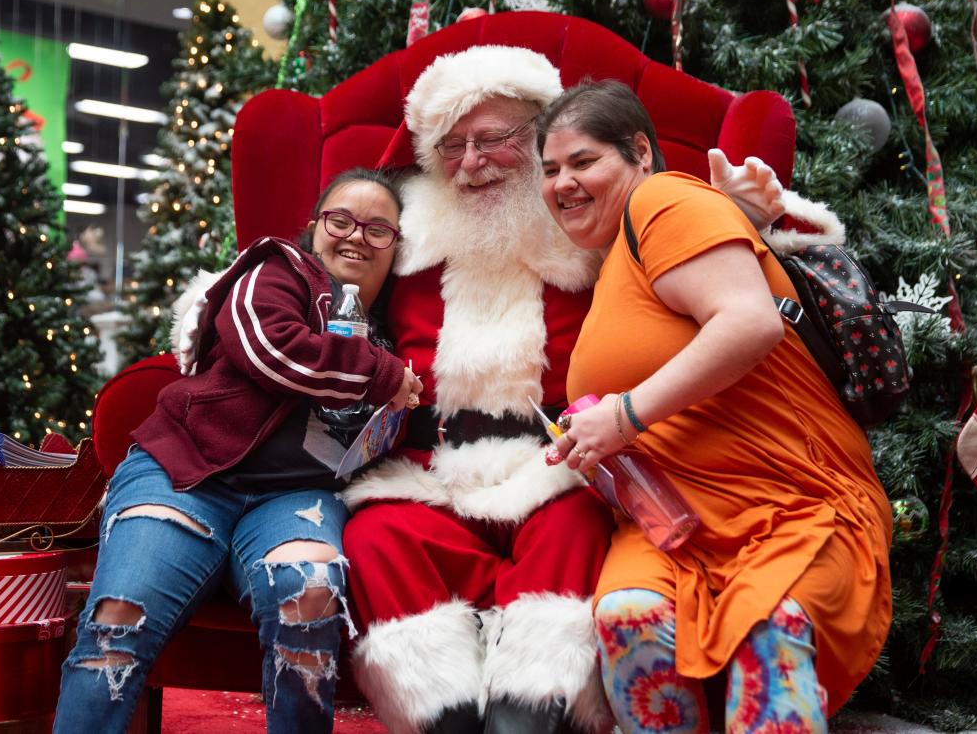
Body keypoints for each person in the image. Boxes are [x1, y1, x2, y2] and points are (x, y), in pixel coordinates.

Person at [335, 47, 788, 734]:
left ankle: (531, 716)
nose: (470, 162)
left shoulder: (588, 219)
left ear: (539, 139)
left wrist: (746, 221)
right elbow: (320, 272)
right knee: (376, 536)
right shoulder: (405, 232)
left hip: (559, 466)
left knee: (575, 531)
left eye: (492, 140)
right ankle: (442, 719)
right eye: (451, 146)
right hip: (431, 473)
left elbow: (680, 261)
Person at [537, 80, 891, 734]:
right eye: (550, 169)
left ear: (640, 153)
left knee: (772, 629)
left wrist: (621, 418)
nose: (562, 182)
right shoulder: (617, 261)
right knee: (629, 619)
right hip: (674, 529)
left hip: (786, 507)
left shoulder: (662, 198)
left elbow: (751, 324)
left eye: (583, 161)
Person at [53, 169, 423, 734]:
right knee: (117, 621)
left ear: (397, 248)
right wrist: (382, 375)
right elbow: (270, 348)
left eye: (379, 230)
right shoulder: (277, 269)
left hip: (295, 499)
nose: (356, 237)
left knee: (311, 599)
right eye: (340, 220)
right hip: (186, 472)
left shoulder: (401, 325)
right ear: (312, 229)